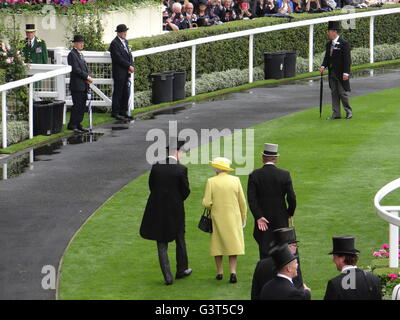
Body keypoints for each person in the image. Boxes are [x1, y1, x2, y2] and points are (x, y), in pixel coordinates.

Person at [140, 138, 192, 286]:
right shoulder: (181, 169)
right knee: (180, 238)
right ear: (176, 152)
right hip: (175, 210)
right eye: (181, 151)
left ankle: (167, 276)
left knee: (161, 243)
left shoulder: (156, 166)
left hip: (158, 209)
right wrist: (175, 200)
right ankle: (181, 269)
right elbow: (185, 191)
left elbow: (152, 186)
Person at [247, 143, 296, 259]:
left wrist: (258, 216)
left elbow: (251, 199)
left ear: (263, 158)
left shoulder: (255, 175)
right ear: (276, 159)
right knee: (282, 248)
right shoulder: (284, 174)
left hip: (263, 219)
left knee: (264, 249)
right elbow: (292, 198)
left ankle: (266, 275)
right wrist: (289, 213)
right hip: (281, 218)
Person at [202, 157, 247, 283]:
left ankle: (220, 272)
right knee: (233, 245)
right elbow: (242, 202)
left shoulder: (211, 181)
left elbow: (206, 203)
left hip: (217, 218)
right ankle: (233, 272)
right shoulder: (236, 180)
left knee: (218, 244)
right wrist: (243, 218)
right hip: (233, 218)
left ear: (218, 168)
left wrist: (213, 205)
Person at [251, 227, 305, 299]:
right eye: (295, 245)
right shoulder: (291, 266)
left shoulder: (261, 264)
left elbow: (255, 294)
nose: (296, 249)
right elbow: (299, 291)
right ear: (288, 247)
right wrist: (307, 293)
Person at [324, 236, 382, 300]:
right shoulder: (374, 279)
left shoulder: (334, 284)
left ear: (342, 258)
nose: (333, 260)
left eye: (334, 257)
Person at [319, 21, 353, 120]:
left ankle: (348, 111)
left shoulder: (344, 44)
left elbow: (347, 60)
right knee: (334, 92)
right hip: (332, 73)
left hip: (341, 73)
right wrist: (323, 66)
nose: (327, 33)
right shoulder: (328, 44)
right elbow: (327, 58)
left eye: (328, 31)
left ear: (334, 32)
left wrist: (346, 72)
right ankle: (336, 113)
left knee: (342, 93)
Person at [67, 35, 93, 134]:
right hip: (77, 85)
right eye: (79, 42)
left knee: (82, 106)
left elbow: (84, 67)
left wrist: (88, 76)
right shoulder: (72, 54)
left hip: (83, 85)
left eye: (82, 42)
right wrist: (87, 77)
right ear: (74, 44)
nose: (82, 44)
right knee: (77, 105)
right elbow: (76, 69)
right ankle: (72, 124)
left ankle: (78, 123)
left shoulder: (80, 54)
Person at [108, 24, 134, 121]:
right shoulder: (114, 43)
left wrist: (131, 65)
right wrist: (128, 66)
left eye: (125, 31)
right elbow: (118, 58)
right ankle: (115, 112)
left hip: (126, 72)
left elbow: (129, 55)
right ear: (118, 33)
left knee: (125, 92)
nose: (125, 33)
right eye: (123, 32)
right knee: (118, 92)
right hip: (119, 72)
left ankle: (124, 111)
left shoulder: (126, 42)